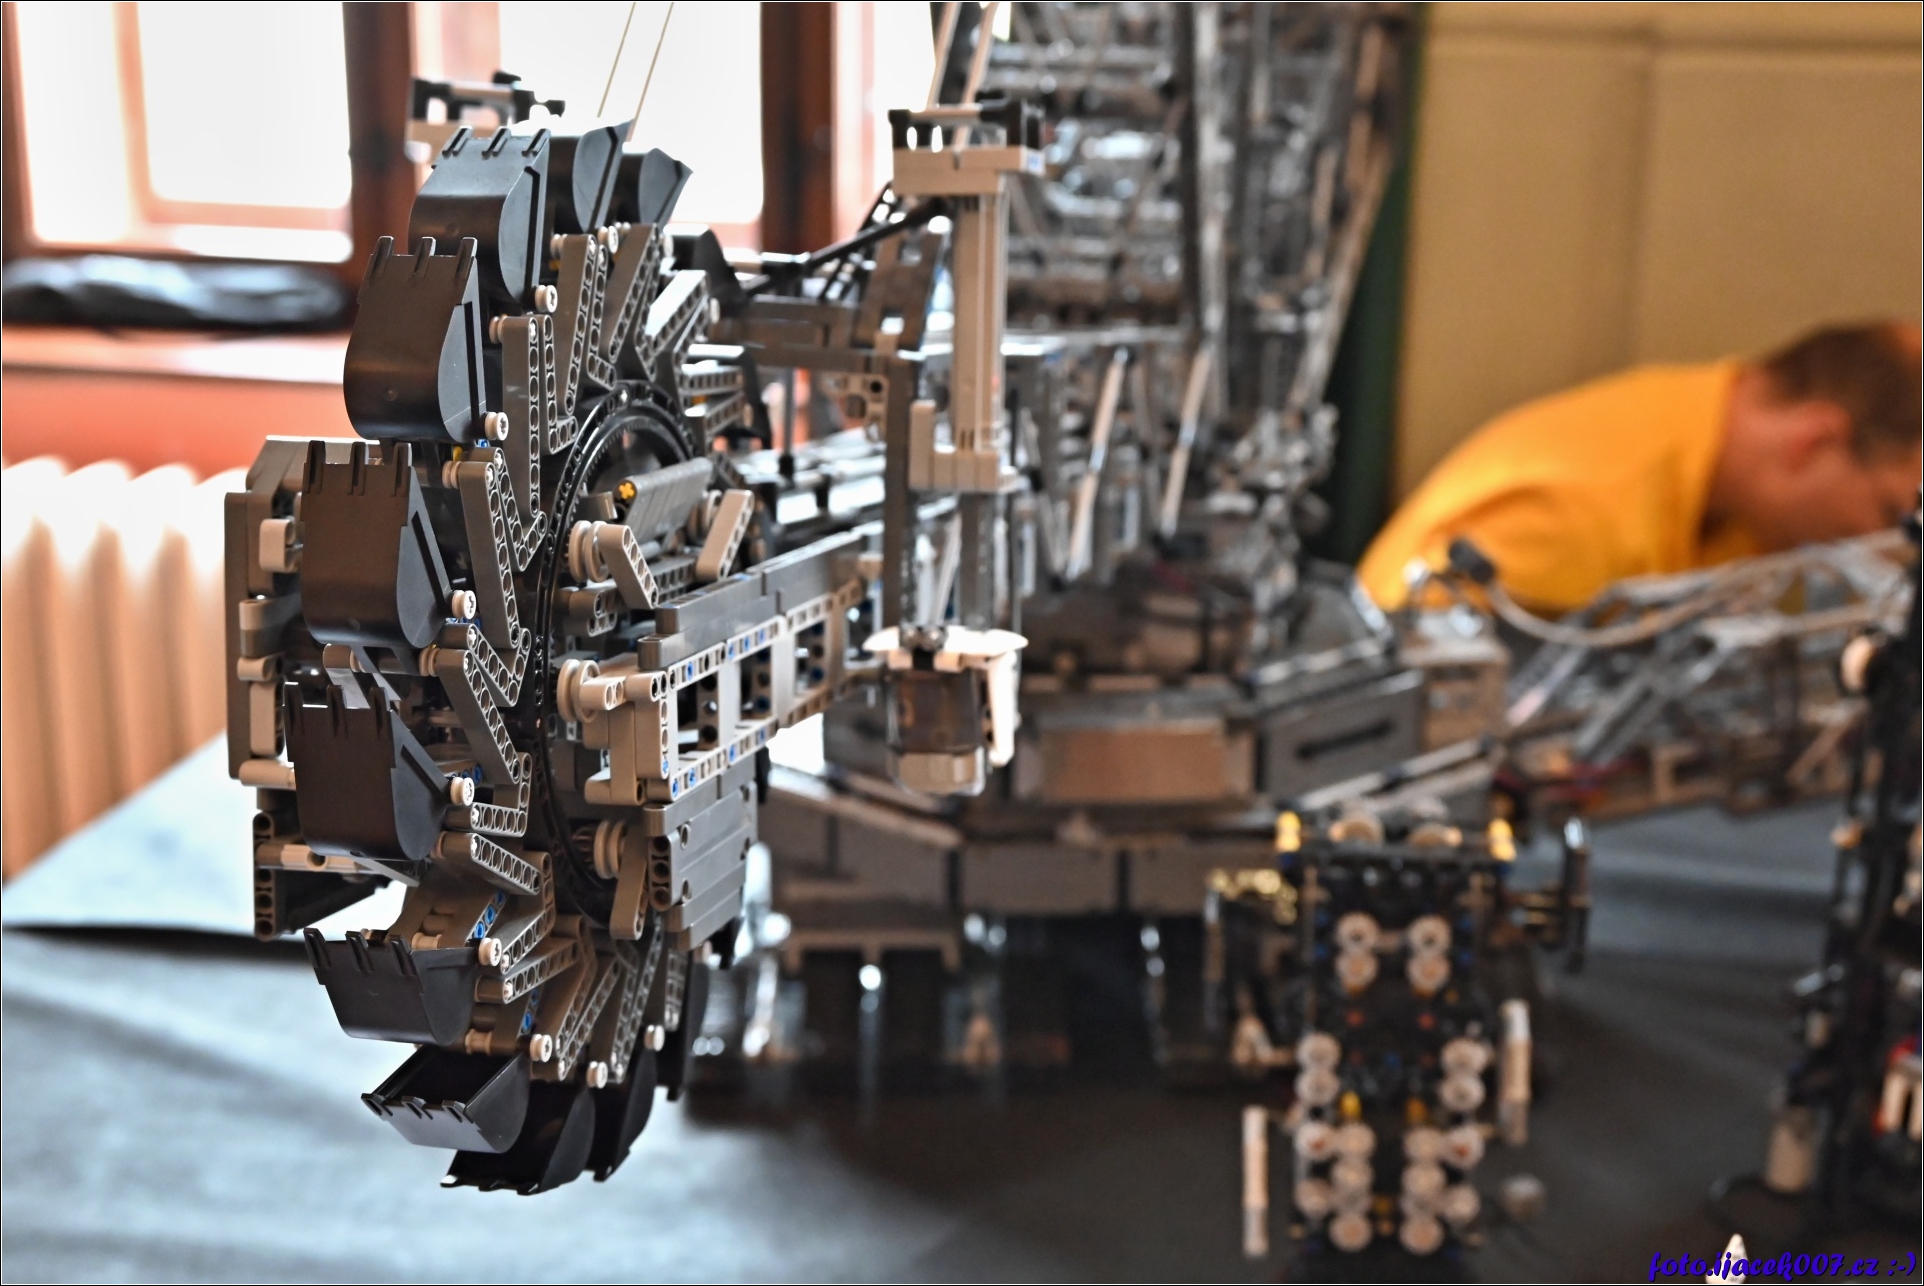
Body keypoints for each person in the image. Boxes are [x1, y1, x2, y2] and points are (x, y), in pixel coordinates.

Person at [1357, 322, 1922, 612]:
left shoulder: (1725, 484)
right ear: (1813, 441)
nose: (1886, 549)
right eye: (1892, 513)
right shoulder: (1579, 507)